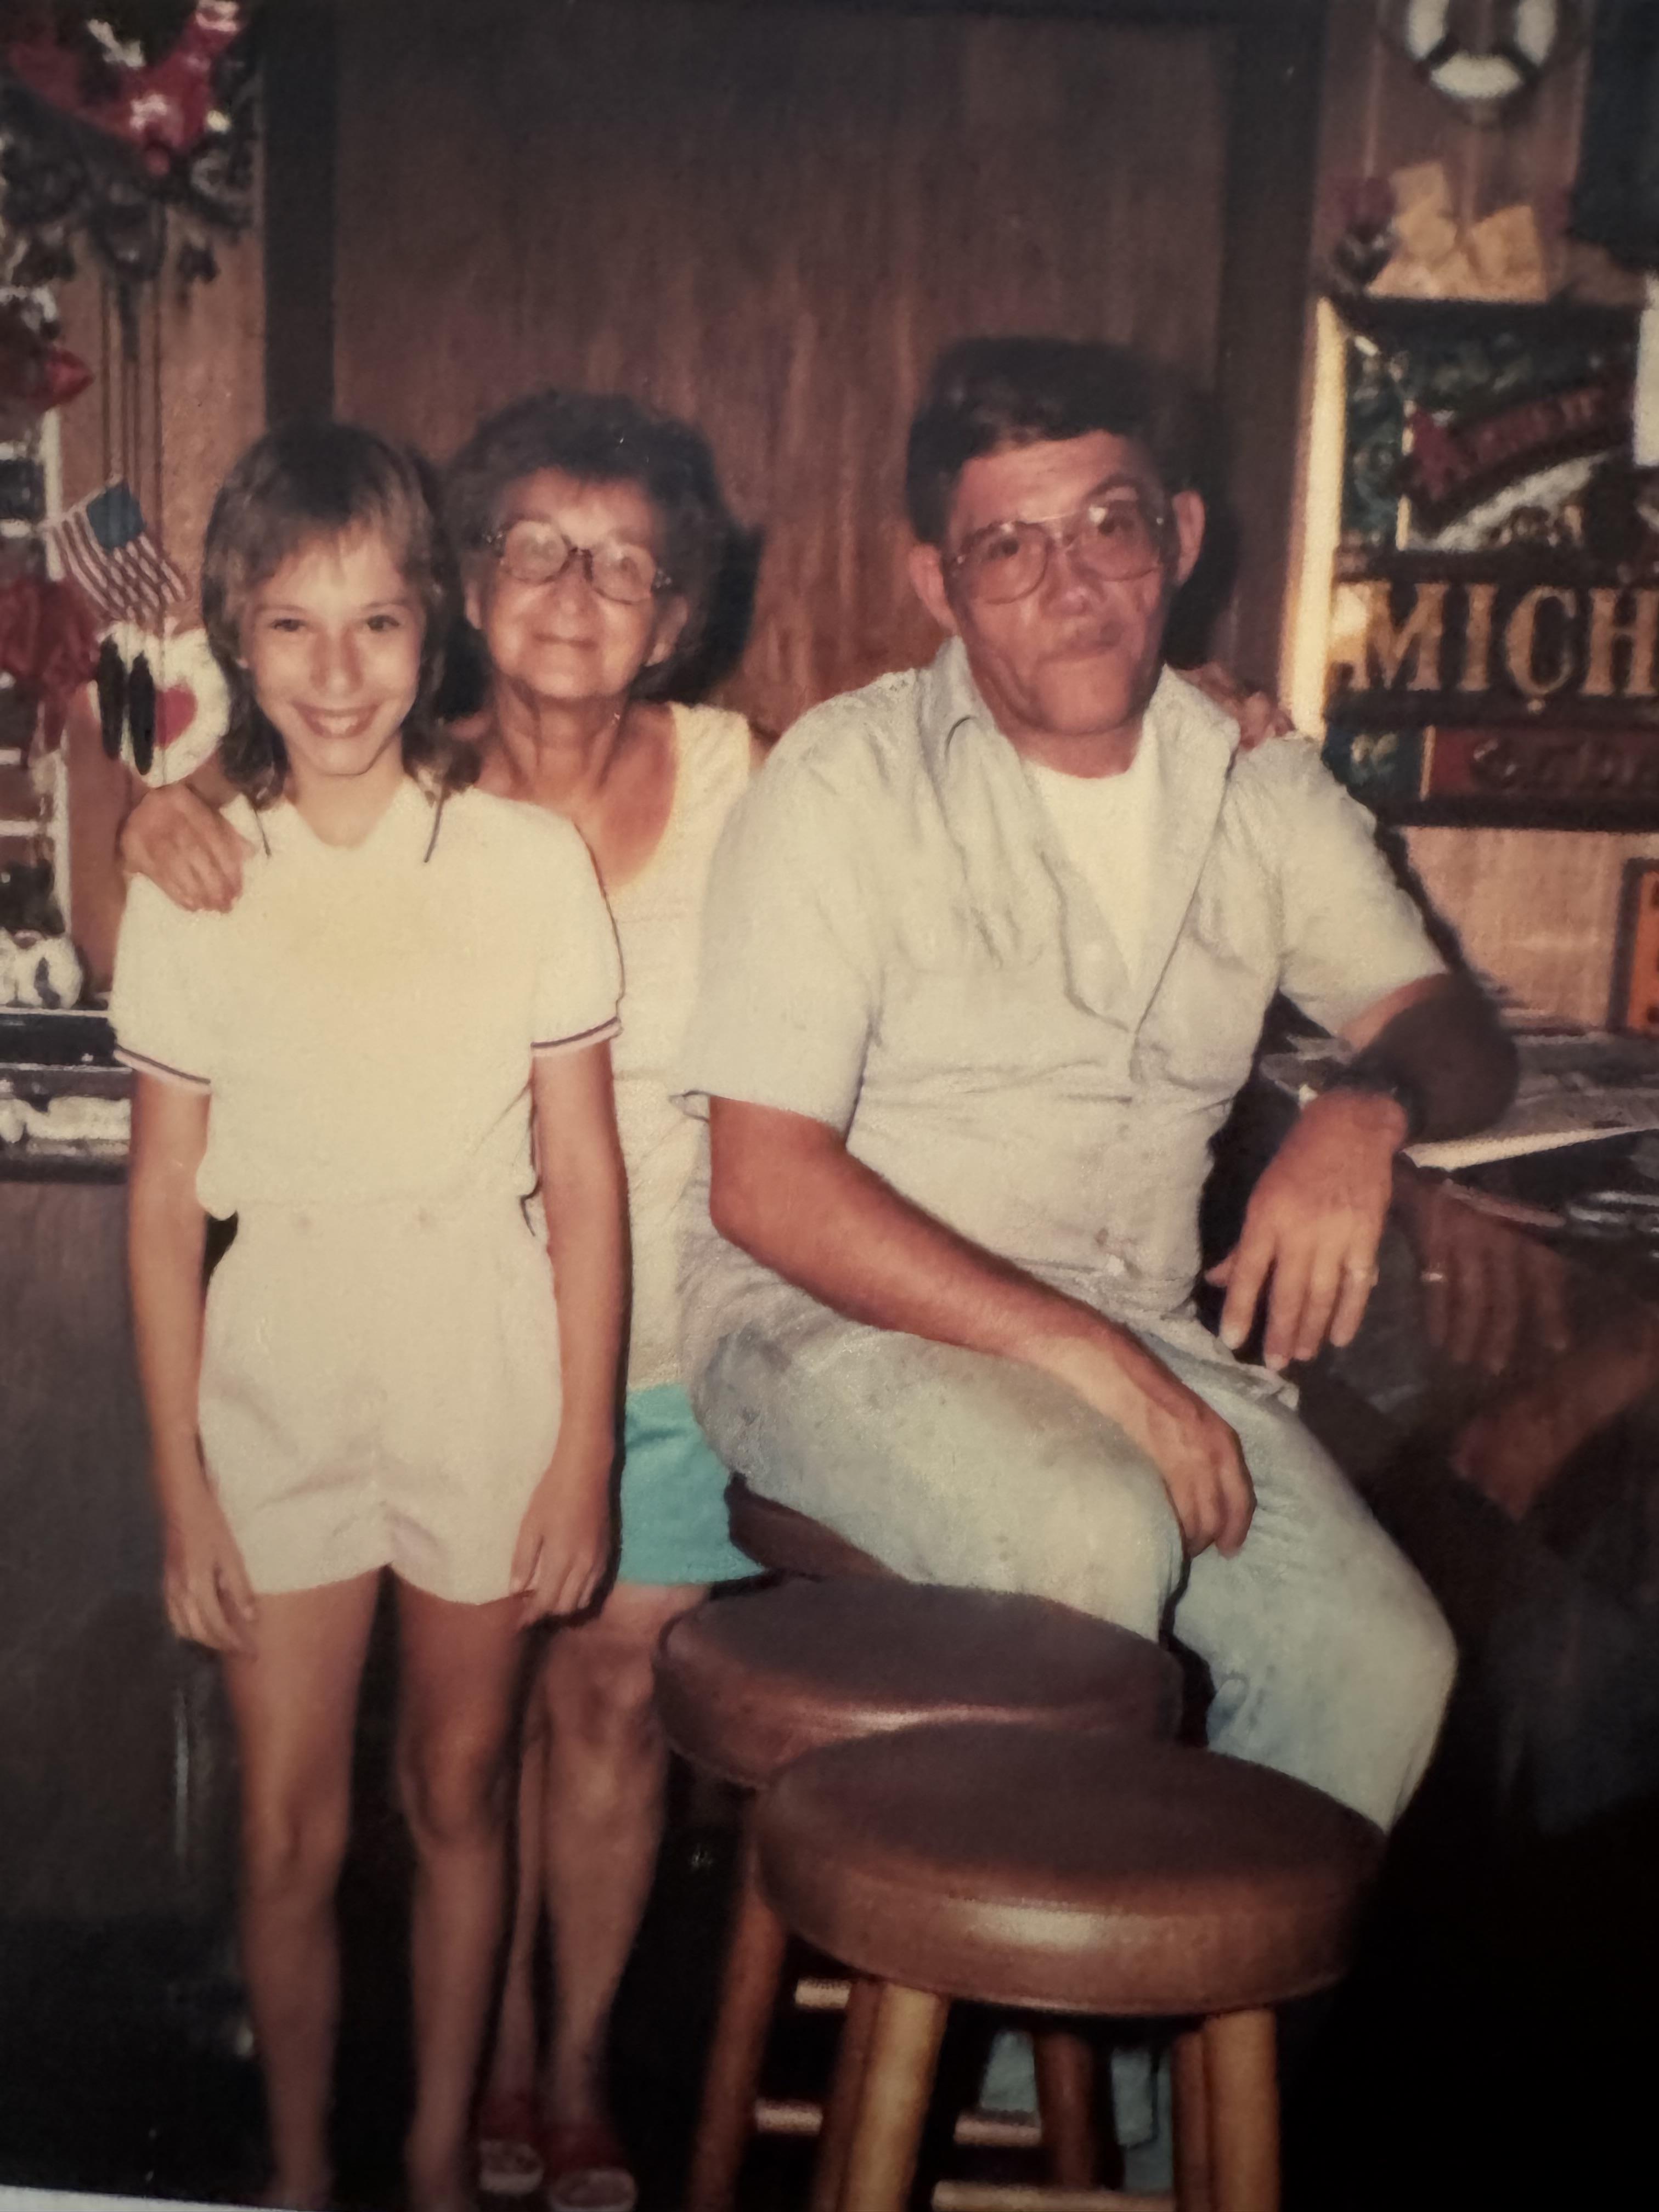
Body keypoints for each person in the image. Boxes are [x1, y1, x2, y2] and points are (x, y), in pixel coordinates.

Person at [678, 335, 1520, 1835]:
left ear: (1179, 538)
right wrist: (1089, 1363)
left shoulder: (1256, 780)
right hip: (825, 1324)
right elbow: (767, 1186)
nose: (1069, 584)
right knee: (1093, 1523)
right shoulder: (844, 782)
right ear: (937, 583)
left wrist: (1363, 1108)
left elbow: (1451, 1023)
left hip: (1131, 1331)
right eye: (1008, 546)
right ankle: (1013, 2068)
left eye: (1108, 525)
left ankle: (1153, 2069)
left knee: (1380, 1661)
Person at [118, 391, 760, 2205]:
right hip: (281, 1382)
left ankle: (432, 2158)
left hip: (487, 1369)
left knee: (463, 1790)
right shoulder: (202, 874)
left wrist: (576, 1467)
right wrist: (180, 1487)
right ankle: (307, 2172)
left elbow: (588, 1179)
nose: (338, 673)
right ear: (237, 640)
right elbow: (167, 1203)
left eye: (377, 623)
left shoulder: (523, 862)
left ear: (430, 623)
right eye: (291, 630)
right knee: (287, 1823)